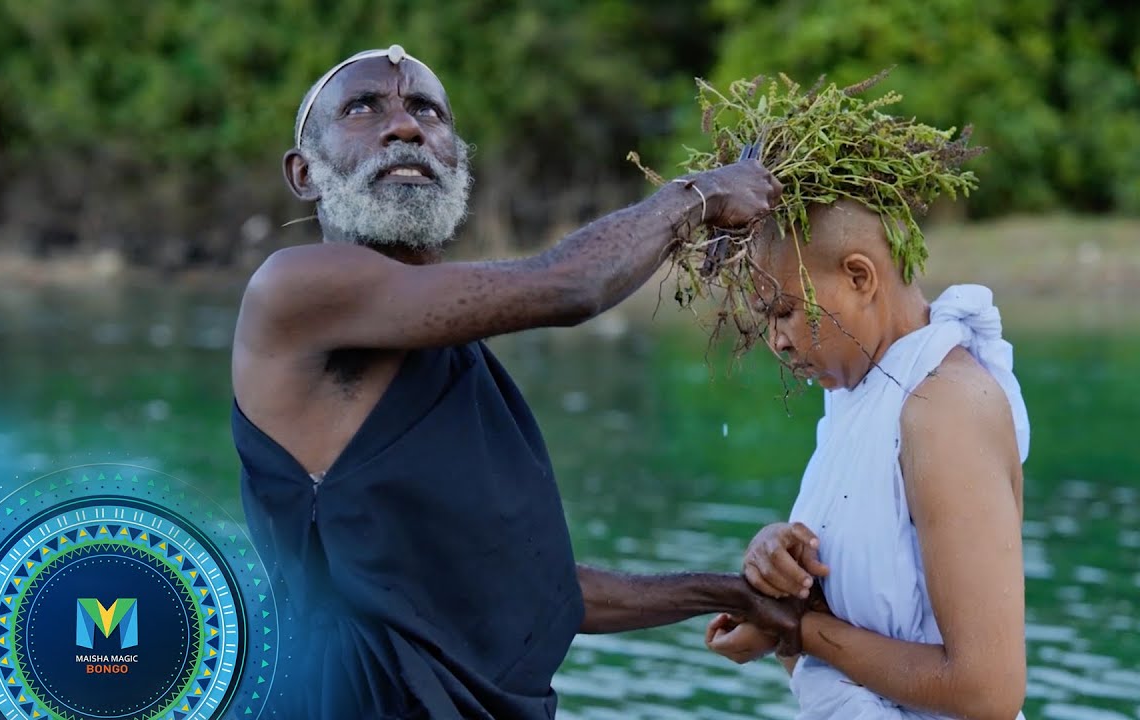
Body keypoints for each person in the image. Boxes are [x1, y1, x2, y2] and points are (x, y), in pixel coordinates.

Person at [230, 46, 798, 719]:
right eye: (363, 107)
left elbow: (541, 592)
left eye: (425, 110)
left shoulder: (448, 352)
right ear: (304, 173)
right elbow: (569, 287)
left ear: (457, 159)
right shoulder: (291, 292)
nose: (404, 127)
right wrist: (698, 195)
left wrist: (730, 593)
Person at [702, 199, 1031, 720]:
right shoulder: (858, 398)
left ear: (860, 277)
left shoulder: (943, 409)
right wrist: (779, 568)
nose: (777, 342)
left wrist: (797, 628)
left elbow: (986, 692)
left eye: (785, 311)